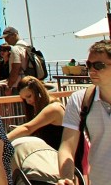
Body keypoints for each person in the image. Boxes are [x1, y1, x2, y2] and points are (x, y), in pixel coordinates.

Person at [57, 39, 111, 185]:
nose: (92, 70)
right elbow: (67, 147)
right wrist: (66, 177)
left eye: (99, 65)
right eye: (89, 65)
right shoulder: (80, 100)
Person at [8, 76, 66, 149]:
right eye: (24, 99)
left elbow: (28, 128)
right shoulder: (44, 106)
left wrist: (3, 140)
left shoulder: (54, 108)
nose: (28, 101)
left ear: (38, 91)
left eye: (29, 96)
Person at [2, 26, 30, 91]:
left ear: (15, 35)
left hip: (19, 86)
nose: (6, 40)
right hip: (29, 82)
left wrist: (9, 87)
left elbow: (15, 70)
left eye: (7, 37)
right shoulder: (27, 46)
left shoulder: (15, 49)